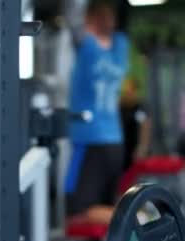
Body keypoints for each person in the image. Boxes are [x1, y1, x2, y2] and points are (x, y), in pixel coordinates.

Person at [64, 0, 130, 225]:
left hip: (90, 139)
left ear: (90, 20)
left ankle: (139, 223)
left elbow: (73, 14)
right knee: (103, 208)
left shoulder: (88, 47)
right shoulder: (120, 47)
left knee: (77, 213)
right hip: (115, 142)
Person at [120, 77, 152, 171]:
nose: (128, 93)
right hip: (121, 146)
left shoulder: (139, 107)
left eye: (130, 90)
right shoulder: (120, 106)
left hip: (134, 147)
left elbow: (145, 126)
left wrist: (142, 147)